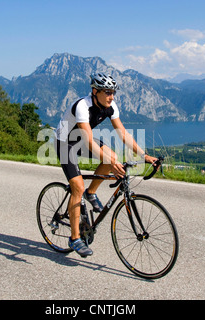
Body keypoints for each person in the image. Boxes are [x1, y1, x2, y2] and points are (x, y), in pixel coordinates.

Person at [55, 73, 157, 257]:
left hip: (80, 140)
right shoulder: (82, 106)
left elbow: (123, 133)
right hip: (65, 143)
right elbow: (88, 141)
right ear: (95, 92)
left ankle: (91, 192)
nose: (112, 96)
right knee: (77, 186)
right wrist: (111, 162)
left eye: (113, 93)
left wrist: (144, 155)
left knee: (112, 155)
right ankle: (75, 238)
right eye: (107, 92)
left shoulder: (111, 106)